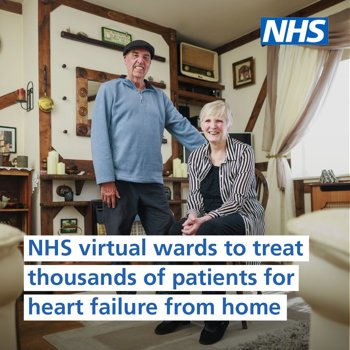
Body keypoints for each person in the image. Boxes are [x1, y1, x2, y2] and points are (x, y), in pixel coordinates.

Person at [154, 100, 265, 345]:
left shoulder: (243, 152)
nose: (212, 126)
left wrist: (204, 220)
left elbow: (238, 198)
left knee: (209, 231)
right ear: (201, 125)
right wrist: (193, 217)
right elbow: (194, 195)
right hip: (205, 215)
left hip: (242, 214)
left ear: (228, 125)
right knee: (174, 230)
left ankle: (217, 316)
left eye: (219, 121)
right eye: (207, 120)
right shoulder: (195, 157)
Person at [91, 39, 206, 240]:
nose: (140, 61)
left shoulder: (160, 97)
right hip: (119, 183)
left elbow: (182, 127)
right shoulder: (109, 90)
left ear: (149, 63)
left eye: (146, 57)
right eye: (135, 55)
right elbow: (99, 136)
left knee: (165, 241)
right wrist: (106, 180)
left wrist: (212, 151)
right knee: (118, 245)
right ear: (125, 59)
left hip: (153, 183)